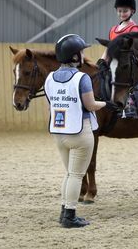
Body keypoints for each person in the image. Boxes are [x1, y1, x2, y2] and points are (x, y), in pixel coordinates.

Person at [45, 34, 117, 228]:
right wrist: (107, 104)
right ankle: (69, 215)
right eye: (81, 52)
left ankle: (64, 212)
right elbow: (91, 105)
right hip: (80, 132)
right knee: (76, 175)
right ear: (75, 57)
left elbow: (52, 103)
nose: (83, 55)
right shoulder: (81, 78)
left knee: (69, 173)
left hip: (59, 133)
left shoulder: (50, 78)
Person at [100, 0, 138, 118]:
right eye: (119, 11)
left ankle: (130, 107)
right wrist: (102, 60)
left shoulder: (134, 28)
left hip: (128, 61)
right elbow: (109, 48)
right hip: (114, 62)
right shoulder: (113, 29)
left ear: (132, 11)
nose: (122, 13)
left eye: (125, 11)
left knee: (125, 79)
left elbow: (135, 48)